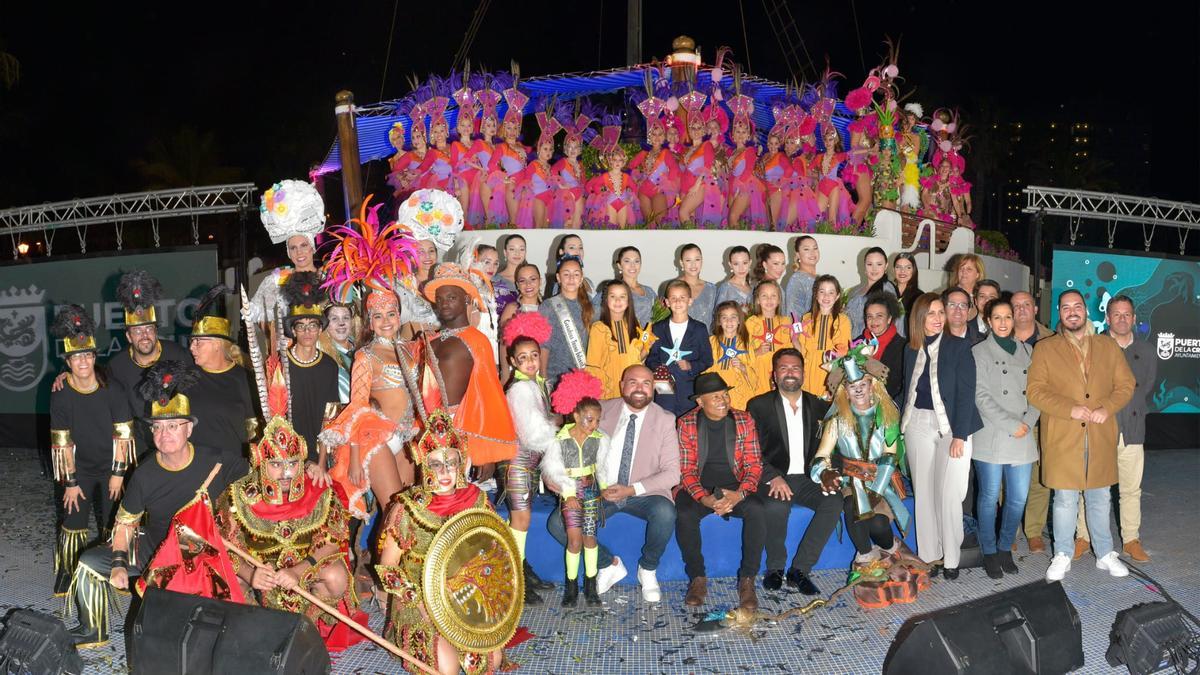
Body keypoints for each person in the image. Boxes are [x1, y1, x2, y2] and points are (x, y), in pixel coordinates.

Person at [65, 361, 248, 647]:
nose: (165, 435)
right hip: (155, 550)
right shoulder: (145, 474)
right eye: (158, 427)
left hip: (203, 553)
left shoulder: (218, 461)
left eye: (173, 426)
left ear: (189, 428)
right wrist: (118, 564)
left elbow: (259, 476)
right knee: (88, 562)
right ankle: (92, 629)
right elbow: (125, 523)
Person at [214, 356, 365, 652]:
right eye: (276, 465)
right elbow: (224, 547)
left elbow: (334, 541)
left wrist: (299, 570)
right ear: (260, 462)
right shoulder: (236, 496)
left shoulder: (319, 490)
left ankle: (308, 627)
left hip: (303, 576)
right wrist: (252, 575)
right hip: (260, 577)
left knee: (336, 576)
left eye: (292, 464)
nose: (285, 474)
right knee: (225, 583)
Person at [375, 410, 509, 674]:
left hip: (463, 596)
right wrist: (422, 604)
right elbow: (388, 570)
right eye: (436, 463)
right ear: (424, 464)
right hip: (419, 600)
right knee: (446, 668)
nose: (445, 471)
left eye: (451, 462)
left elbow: (495, 553)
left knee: (490, 661)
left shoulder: (477, 501)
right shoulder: (408, 509)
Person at [546, 364, 681, 603]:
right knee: (558, 523)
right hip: (599, 491)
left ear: (653, 389)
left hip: (642, 493)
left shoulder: (665, 420)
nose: (639, 389)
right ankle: (608, 564)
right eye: (633, 382)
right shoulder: (601, 410)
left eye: (646, 383)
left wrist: (631, 489)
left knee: (665, 512)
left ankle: (648, 569)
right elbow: (563, 443)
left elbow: (672, 474)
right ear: (621, 385)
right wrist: (552, 475)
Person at [1028, 290, 1135, 582]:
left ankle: (1104, 554)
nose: (1072, 311)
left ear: (1087, 311)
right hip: (1063, 435)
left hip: (1099, 434)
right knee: (1064, 500)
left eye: (1077, 306)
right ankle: (1062, 553)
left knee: (1100, 497)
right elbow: (1036, 391)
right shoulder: (1045, 349)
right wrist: (1070, 409)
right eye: (1066, 307)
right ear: (1059, 313)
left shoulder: (1108, 346)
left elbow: (1126, 385)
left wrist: (1107, 408)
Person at [810, 344, 927, 607]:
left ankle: (891, 548)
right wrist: (824, 474)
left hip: (882, 481)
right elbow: (821, 457)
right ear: (844, 391)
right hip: (851, 482)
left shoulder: (888, 415)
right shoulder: (836, 420)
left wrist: (876, 489)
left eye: (863, 382)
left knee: (878, 526)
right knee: (853, 506)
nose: (859, 389)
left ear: (872, 384)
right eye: (853, 386)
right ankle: (866, 558)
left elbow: (889, 455)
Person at [49, 306, 134, 596]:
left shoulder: (113, 389)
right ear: (68, 361)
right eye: (76, 356)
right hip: (80, 469)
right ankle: (67, 571)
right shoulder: (60, 393)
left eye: (87, 355)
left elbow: (124, 436)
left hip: (112, 467)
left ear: (94, 357)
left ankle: (116, 570)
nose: (82, 361)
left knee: (115, 522)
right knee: (73, 521)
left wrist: (118, 475)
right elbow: (62, 443)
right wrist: (71, 483)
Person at [901, 293, 982, 580]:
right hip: (917, 425)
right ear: (918, 319)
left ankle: (952, 558)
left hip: (952, 428)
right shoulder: (910, 350)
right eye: (930, 314)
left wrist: (960, 435)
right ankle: (929, 557)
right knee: (923, 493)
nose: (937, 319)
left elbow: (965, 394)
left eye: (940, 312)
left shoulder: (959, 347)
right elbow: (907, 390)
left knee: (948, 495)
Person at [1073, 295, 1157, 563]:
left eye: (1127, 314)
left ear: (1134, 318)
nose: (1122, 319)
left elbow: (1146, 388)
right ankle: (1083, 537)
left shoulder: (1146, 351)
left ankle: (1131, 539)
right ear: (1107, 318)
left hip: (1132, 429)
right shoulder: (1093, 347)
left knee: (1131, 489)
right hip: (1100, 429)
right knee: (1090, 487)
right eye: (1116, 314)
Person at [751, 349, 839, 595]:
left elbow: (829, 447)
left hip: (809, 478)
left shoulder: (820, 406)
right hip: (774, 477)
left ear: (803, 372)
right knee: (778, 505)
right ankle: (775, 568)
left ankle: (800, 570)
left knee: (834, 501)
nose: (790, 373)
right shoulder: (759, 405)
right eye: (784, 368)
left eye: (795, 368)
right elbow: (751, 450)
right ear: (774, 374)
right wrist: (772, 476)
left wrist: (826, 474)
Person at [676, 373, 765, 611]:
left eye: (725, 394)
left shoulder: (744, 420)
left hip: (735, 486)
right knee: (684, 513)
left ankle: (747, 580)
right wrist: (704, 498)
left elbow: (754, 465)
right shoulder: (686, 423)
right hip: (701, 487)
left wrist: (740, 494)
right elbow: (686, 470)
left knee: (758, 510)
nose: (723, 400)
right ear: (700, 402)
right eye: (715, 397)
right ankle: (697, 578)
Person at [422, 263, 519, 475]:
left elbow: (488, 394)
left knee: (456, 498)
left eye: (451, 297)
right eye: (439, 299)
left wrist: (486, 453)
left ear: (466, 299)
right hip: (428, 430)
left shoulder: (477, 340)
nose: (444, 303)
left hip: (460, 433)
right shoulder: (430, 339)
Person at [971, 298, 1039, 578]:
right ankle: (989, 552)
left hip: (1023, 432)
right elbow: (981, 396)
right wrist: (1012, 424)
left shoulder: (1028, 350)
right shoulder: (979, 352)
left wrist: (1028, 421)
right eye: (996, 317)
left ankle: (1004, 548)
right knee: (988, 497)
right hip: (992, 433)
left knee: (1018, 498)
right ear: (988, 320)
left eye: (1007, 317)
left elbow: (1037, 391)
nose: (1002, 323)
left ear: (1014, 320)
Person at [501, 314, 559, 604]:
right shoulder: (521, 389)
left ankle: (522, 569)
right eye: (522, 358)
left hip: (529, 464)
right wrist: (560, 426)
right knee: (520, 520)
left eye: (534, 356)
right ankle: (515, 579)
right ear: (512, 361)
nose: (530, 362)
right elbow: (535, 435)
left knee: (522, 520)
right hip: (519, 463)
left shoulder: (537, 384)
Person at [541, 371, 609, 606]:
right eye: (589, 419)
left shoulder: (599, 439)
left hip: (591, 492)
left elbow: (603, 467)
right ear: (575, 414)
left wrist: (607, 487)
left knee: (591, 539)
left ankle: (591, 585)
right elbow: (554, 471)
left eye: (597, 420)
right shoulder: (559, 441)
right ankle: (571, 586)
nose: (594, 425)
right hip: (570, 492)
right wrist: (568, 494)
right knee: (574, 541)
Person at [104, 270, 193, 451]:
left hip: (177, 438)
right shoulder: (116, 365)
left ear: (155, 330)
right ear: (128, 336)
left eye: (148, 329)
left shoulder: (178, 355)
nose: (144, 336)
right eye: (137, 331)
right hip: (140, 441)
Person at [250, 180, 327, 353]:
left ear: (312, 247)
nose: (299, 253)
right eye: (293, 248)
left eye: (303, 246)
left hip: (328, 350)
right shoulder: (277, 281)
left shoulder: (328, 277)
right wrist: (277, 335)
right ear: (288, 252)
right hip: (292, 352)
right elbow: (261, 317)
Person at [280, 272, 340, 472]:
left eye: (312, 326)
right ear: (293, 330)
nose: (307, 332)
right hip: (287, 456)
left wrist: (321, 464)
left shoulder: (329, 366)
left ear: (320, 329)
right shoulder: (280, 364)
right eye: (301, 326)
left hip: (321, 457)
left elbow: (330, 418)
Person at [187, 285, 256, 456]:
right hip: (197, 470)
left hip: (234, 469)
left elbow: (253, 428)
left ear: (217, 344)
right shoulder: (186, 378)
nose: (191, 348)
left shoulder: (244, 379)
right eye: (191, 341)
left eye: (198, 342)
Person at [1011, 290, 1055, 553]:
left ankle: (1034, 531)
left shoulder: (1051, 339)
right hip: (1010, 420)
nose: (1021, 309)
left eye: (1026, 304)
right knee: (1008, 479)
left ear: (1035, 309)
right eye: (1016, 306)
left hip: (1040, 418)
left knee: (1039, 477)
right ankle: (1010, 529)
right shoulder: (1000, 336)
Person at [644, 280, 713, 417]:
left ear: (690, 301)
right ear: (667, 302)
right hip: (663, 386)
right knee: (664, 421)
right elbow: (651, 358)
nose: (678, 302)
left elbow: (707, 360)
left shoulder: (699, 329)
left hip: (689, 388)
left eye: (682, 297)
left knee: (687, 423)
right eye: (673, 298)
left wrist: (690, 366)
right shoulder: (657, 328)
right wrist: (659, 370)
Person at [586, 280, 652, 400]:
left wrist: (646, 351)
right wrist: (597, 397)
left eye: (622, 296)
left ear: (628, 301)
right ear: (606, 300)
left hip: (632, 392)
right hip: (608, 394)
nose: (618, 300)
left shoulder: (634, 326)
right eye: (613, 296)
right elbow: (593, 366)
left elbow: (636, 361)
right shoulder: (598, 328)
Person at [539, 256, 592, 389]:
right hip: (555, 377)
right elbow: (543, 345)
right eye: (566, 274)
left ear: (581, 278)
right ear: (558, 277)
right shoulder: (548, 306)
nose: (571, 278)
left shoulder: (591, 307)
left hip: (582, 376)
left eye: (576, 274)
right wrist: (543, 376)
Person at [796, 275, 851, 398]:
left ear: (837, 296)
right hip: (808, 371)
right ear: (816, 294)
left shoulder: (843, 320)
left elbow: (844, 351)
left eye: (831, 292)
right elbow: (801, 350)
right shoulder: (806, 319)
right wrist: (794, 339)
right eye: (822, 291)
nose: (826, 296)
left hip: (830, 372)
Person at [704, 301, 760, 410]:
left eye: (733, 317)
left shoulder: (746, 343)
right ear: (719, 321)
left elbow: (755, 373)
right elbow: (706, 369)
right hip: (718, 392)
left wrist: (743, 367)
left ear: (739, 320)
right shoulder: (711, 342)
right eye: (724, 317)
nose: (729, 321)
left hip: (741, 393)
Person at [745, 280, 796, 399]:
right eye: (764, 296)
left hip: (782, 371)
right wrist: (757, 352)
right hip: (759, 373)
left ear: (779, 300)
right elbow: (743, 352)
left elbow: (792, 349)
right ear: (757, 300)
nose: (769, 300)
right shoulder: (751, 322)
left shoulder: (786, 322)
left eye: (773, 296)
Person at [859, 292, 905, 401]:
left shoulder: (902, 347)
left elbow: (898, 385)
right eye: (869, 316)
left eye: (879, 316)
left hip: (887, 406)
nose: (873, 321)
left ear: (889, 318)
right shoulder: (859, 342)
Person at [845, 247, 899, 339]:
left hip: (869, 345)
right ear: (864, 266)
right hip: (852, 343)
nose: (874, 269)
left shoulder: (886, 290)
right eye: (870, 264)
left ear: (886, 266)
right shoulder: (857, 289)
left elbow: (894, 323)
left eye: (879, 264)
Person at [608, 246, 659, 326]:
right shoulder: (612, 290)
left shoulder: (649, 291)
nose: (632, 265)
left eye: (636, 261)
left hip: (649, 337)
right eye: (627, 261)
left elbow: (659, 315)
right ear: (619, 265)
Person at [317, 301, 357, 404]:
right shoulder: (319, 353)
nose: (341, 323)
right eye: (334, 318)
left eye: (346, 318)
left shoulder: (362, 348)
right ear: (325, 323)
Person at [677, 243, 717, 330]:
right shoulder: (674, 287)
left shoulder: (712, 289)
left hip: (706, 340)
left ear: (702, 261)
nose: (693, 264)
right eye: (688, 260)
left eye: (697, 259)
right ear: (681, 263)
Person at [785, 235, 820, 323]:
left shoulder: (819, 279)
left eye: (815, 248)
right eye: (806, 249)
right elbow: (793, 316)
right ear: (798, 255)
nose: (812, 253)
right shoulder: (797, 280)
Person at [713, 245, 753, 310]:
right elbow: (717, 315)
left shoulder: (753, 288)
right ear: (730, 265)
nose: (741, 268)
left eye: (745, 263)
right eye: (736, 264)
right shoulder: (725, 288)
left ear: (750, 263)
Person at [892, 252, 922, 322]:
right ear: (894, 270)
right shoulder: (887, 292)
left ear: (913, 270)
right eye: (898, 267)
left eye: (908, 267)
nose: (902, 271)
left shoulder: (919, 297)